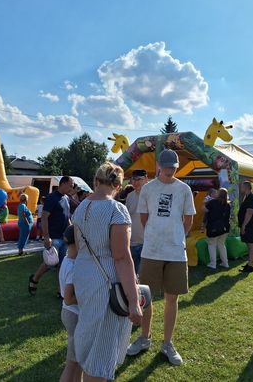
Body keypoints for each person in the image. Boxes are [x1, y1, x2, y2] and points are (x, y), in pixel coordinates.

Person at [73, 162, 142, 381]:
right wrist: (134, 301)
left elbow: (79, 246)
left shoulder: (81, 207)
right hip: (106, 283)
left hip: (83, 275)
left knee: (89, 335)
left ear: (95, 181)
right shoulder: (116, 209)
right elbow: (121, 257)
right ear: (118, 186)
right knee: (101, 349)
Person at [128, 149, 196, 366]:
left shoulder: (184, 189)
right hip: (152, 251)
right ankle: (144, 337)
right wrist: (156, 236)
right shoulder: (148, 189)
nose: (169, 170)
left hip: (176, 252)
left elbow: (188, 220)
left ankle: (167, 343)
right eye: (166, 166)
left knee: (172, 298)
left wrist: (176, 237)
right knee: (146, 297)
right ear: (158, 165)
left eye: (173, 167)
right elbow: (144, 218)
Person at [28, 176, 74, 296]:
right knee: (50, 263)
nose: (71, 188)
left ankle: (60, 291)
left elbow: (66, 217)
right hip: (53, 237)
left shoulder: (66, 198)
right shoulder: (52, 198)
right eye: (70, 185)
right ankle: (34, 279)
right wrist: (46, 236)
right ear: (63, 184)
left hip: (64, 237)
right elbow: (44, 217)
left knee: (62, 265)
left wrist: (71, 230)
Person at [58, 225, 83, 382]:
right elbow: (68, 298)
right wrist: (86, 297)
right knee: (71, 363)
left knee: (79, 359)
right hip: (73, 314)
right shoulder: (74, 267)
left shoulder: (66, 259)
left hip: (68, 312)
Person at [125, 169, 148, 274]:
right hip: (131, 242)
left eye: (139, 179)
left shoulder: (152, 196)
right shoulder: (130, 196)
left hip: (146, 243)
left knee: (145, 276)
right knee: (132, 275)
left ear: (146, 179)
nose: (135, 182)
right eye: (133, 179)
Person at [204, 187, 231, 269]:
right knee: (221, 245)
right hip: (225, 227)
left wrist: (204, 202)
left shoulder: (212, 202)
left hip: (213, 227)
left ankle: (213, 264)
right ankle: (225, 263)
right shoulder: (228, 204)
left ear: (219, 194)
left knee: (212, 244)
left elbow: (204, 210)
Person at [238, 181, 253, 273]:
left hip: (249, 225)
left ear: (246, 187)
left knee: (251, 244)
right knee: (249, 244)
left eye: (242, 186)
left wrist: (244, 225)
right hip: (247, 225)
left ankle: (250, 266)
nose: (240, 188)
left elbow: (249, 212)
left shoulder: (252, 197)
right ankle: (250, 263)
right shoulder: (247, 197)